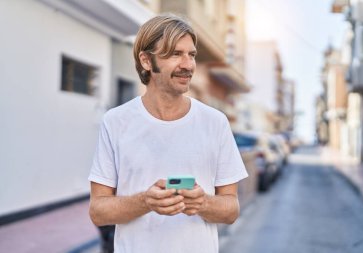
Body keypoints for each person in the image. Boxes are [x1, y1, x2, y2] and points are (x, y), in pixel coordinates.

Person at [88, 14, 248, 253]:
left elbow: (231, 209)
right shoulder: (116, 122)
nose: (187, 64)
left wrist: (202, 202)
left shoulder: (215, 122)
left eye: (191, 55)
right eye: (175, 54)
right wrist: (145, 202)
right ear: (145, 60)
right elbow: (98, 212)